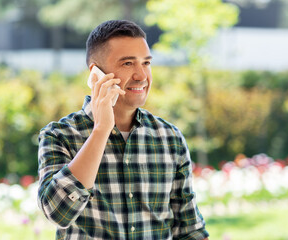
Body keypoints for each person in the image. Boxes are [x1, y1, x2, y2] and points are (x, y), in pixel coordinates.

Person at [37, 20, 209, 240]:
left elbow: (189, 229)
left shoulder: (169, 137)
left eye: (146, 63)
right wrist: (101, 130)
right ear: (96, 73)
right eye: (128, 64)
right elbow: (57, 213)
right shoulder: (60, 135)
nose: (141, 75)